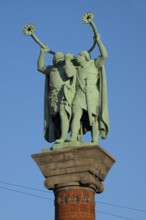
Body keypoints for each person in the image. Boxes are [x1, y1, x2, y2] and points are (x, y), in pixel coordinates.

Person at [69, 32, 109, 144]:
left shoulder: (94, 64)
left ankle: (94, 140)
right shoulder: (76, 69)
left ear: (86, 57)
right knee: (76, 114)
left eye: (80, 55)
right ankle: (73, 137)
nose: (78, 56)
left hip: (92, 94)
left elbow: (105, 55)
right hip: (79, 93)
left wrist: (98, 41)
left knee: (94, 118)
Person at [37, 46, 76, 143]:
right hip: (53, 97)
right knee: (56, 118)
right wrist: (42, 53)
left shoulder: (68, 67)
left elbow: (70, 74)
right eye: (56, 58)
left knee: (63, 114)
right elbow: (40, 67)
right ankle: (59, 136)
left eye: (60, 58)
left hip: (64, 94)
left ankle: (63, 137)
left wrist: (67, 60)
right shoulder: (51, 69)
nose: (57, 60)